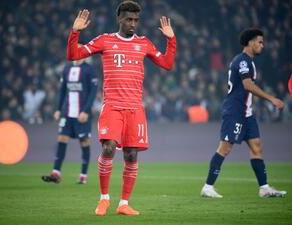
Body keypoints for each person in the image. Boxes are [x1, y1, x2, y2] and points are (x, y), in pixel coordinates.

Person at [67, 1, 176, 216]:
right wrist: (75, 33)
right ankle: (104, 199)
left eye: (136, 20)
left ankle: (124, 203)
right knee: (108, 148)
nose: (132, 24)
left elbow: (167, 63)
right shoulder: (105, 41)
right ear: (119, 19)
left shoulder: (144, 43)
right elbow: (74, 55)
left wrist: (171, 40)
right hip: (113, 107)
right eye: (128, 19)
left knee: (132, 155)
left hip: (135, 109)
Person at [201, 28, 287, 198]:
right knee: (225, 148)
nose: (262, 46)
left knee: (257, 147)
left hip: (246, 113)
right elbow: (248, 85)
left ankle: (264, 188)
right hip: (235, 112)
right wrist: (271, 98)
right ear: (251, 42)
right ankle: (208, 187)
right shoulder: (242, 61)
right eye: (260, 42)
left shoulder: (249, 62)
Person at [41, 57, 98, 184]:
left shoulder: (90, 70)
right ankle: (56, 172)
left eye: (81, 49)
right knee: (62, 138)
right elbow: (62, 91)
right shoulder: (67, 68)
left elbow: (93, 93)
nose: (78, 52)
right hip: (67, 113)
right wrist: (58, 109)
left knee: (84, 142)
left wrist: (86, 111)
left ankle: (83, 175)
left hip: (82, 114)